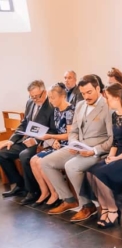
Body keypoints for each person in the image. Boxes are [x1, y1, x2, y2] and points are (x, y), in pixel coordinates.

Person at [41, 75, 113, 222]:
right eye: (83, 93)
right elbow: (73, 131)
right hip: (77, 147)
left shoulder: (108, 107)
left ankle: (87, 205)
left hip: (96, 151)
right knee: (46, 162)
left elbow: (112, 139)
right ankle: (68, 200)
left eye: (89, 92)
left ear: (98, 88)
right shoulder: (80, 105)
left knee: (71, 166)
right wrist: (73, 143)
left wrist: (93, 150)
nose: (86, 96)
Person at [84, 83, 122, 228]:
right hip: (119, 152)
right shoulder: (115, 115)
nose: (107, 101)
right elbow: (116, 141)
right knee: (90, 172)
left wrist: (117, 159)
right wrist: (110, 157)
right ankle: (105, 207)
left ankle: (113, 210)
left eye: (109, 98)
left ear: (118, 98)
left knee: (101, 174)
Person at [0, 80, 56, 200]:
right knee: (2, 153)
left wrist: (36, 141)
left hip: (42, 142)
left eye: (37, 96)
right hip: (26, 139)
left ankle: (33, 190)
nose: (35, 99)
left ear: (44, 92)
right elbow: (24, 123)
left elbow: (54, 131)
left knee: (24, 156)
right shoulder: (30, 102)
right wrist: (12, 139)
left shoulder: (52, 106)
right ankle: (20, 185)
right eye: (32, 97)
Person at [30, 83, 75, 207]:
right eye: (49, 97)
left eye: (53, 97)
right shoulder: (55, 109)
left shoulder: (70, 110)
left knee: (41, 162)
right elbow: (57, 131)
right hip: (58, 143)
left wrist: (51, 137)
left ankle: (56, 194)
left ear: (62, 96)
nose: (50, 100)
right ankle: (46, 191)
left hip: (68, 145)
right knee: (33, 160)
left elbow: (69, 135)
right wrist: (55, 140)